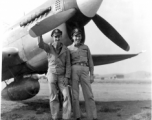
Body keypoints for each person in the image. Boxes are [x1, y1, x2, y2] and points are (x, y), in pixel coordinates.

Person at [37, 29, 71, 120]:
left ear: (61, 37)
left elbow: (68, 64)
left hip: (62, 75)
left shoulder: (66, 49)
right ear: (52, 37)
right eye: (55, 36)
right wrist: (39, 33)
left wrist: (67, 77)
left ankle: (66, 117)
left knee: (66, 95)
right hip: (52, 74)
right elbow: (40, 44)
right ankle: (55, 117)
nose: (57, 38)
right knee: (53, 96)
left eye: (59, 36)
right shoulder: (48, 47)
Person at [68, 28, 98, 120]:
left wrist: (92, 74)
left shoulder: (86, 47)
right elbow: (68, 64)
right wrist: (68, 76)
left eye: (79, 36)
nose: (78, 38)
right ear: (72, 37)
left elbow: (90, 61)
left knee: (89, 94)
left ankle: (92, 116)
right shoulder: (68, 49)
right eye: (76, 36)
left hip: (85, 69)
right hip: (74, 70)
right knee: (75, 95)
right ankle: (77, 116)